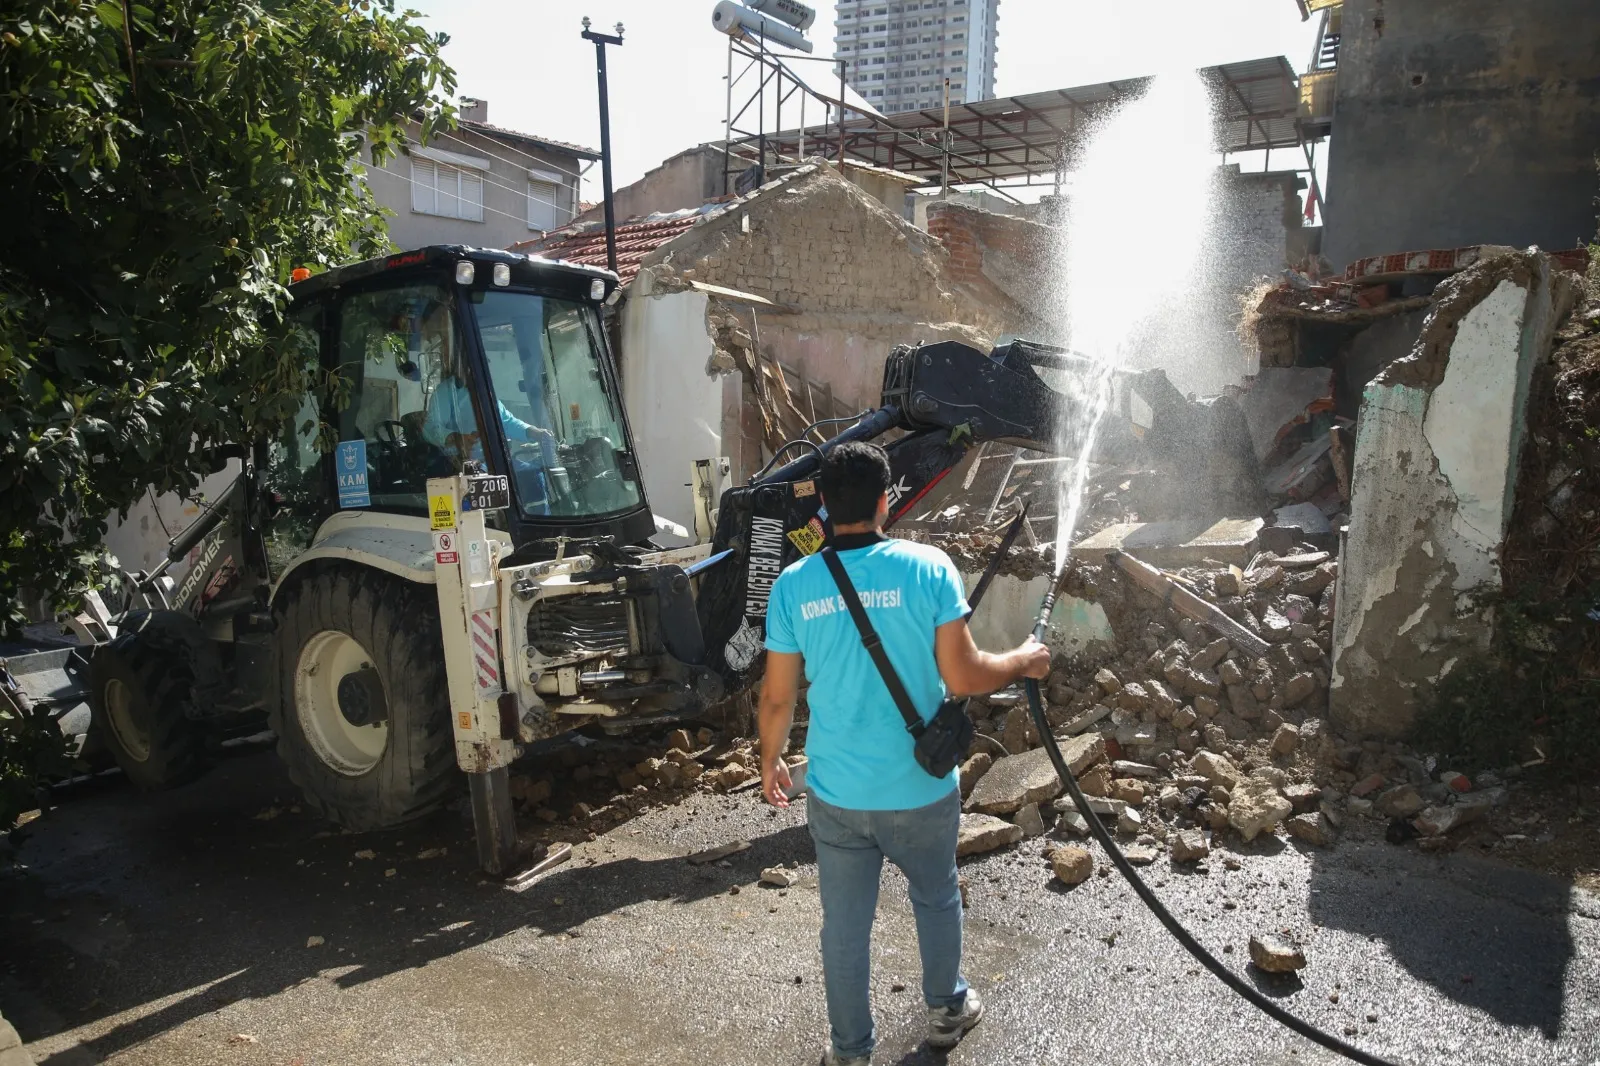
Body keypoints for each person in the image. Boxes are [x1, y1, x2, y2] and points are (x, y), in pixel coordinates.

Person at [758, 442, 1052, 1066]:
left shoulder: (793, 584)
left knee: (844, 928)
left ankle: (848, 1052)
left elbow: (778, 698)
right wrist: (1023, 660)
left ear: (825, 511)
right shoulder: (928, 567)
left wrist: (771, 759)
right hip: (920, 786)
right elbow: (967, 676)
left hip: (835, 792)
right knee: (936, 895)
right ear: (885, 500)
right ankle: (947, 1009)